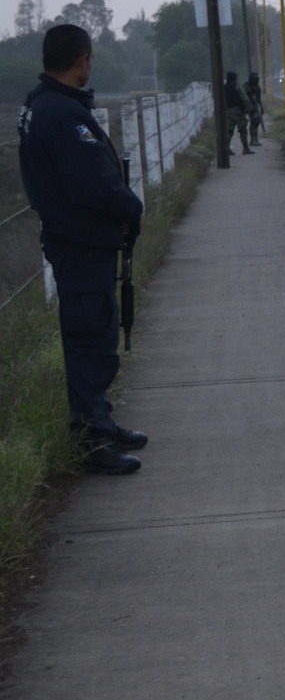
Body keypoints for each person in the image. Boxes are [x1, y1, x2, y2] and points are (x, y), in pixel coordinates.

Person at [17, 24, 147, 475]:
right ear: (81, 61)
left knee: (89, 336)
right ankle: (92, 440)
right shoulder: (62, 113)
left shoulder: (41, 105)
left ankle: (100, 422)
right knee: (93, 341)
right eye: (90, 58)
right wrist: (131, 207)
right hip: (82, 244)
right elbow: (94, 183)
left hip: (73, 241)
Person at [223, 70, 253, 155]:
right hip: (238, 111)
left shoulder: (224, 87)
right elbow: (244, 98)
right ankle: (246, 148)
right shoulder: (237, 86)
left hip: (227, 111)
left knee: (229, 130)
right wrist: (249, 108)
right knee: (243, 129)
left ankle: (227, 148)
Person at [246, 71, 265, 146]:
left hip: (255, 106)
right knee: (253, 122)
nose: (256, 80)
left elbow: (259, 99)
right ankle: (253, 139)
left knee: (256, 122)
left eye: (257, 79)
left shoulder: (257, 88)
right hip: (248, 107)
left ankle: (255, 139)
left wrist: (261, 107)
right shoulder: (246, 86)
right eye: (255, 79)